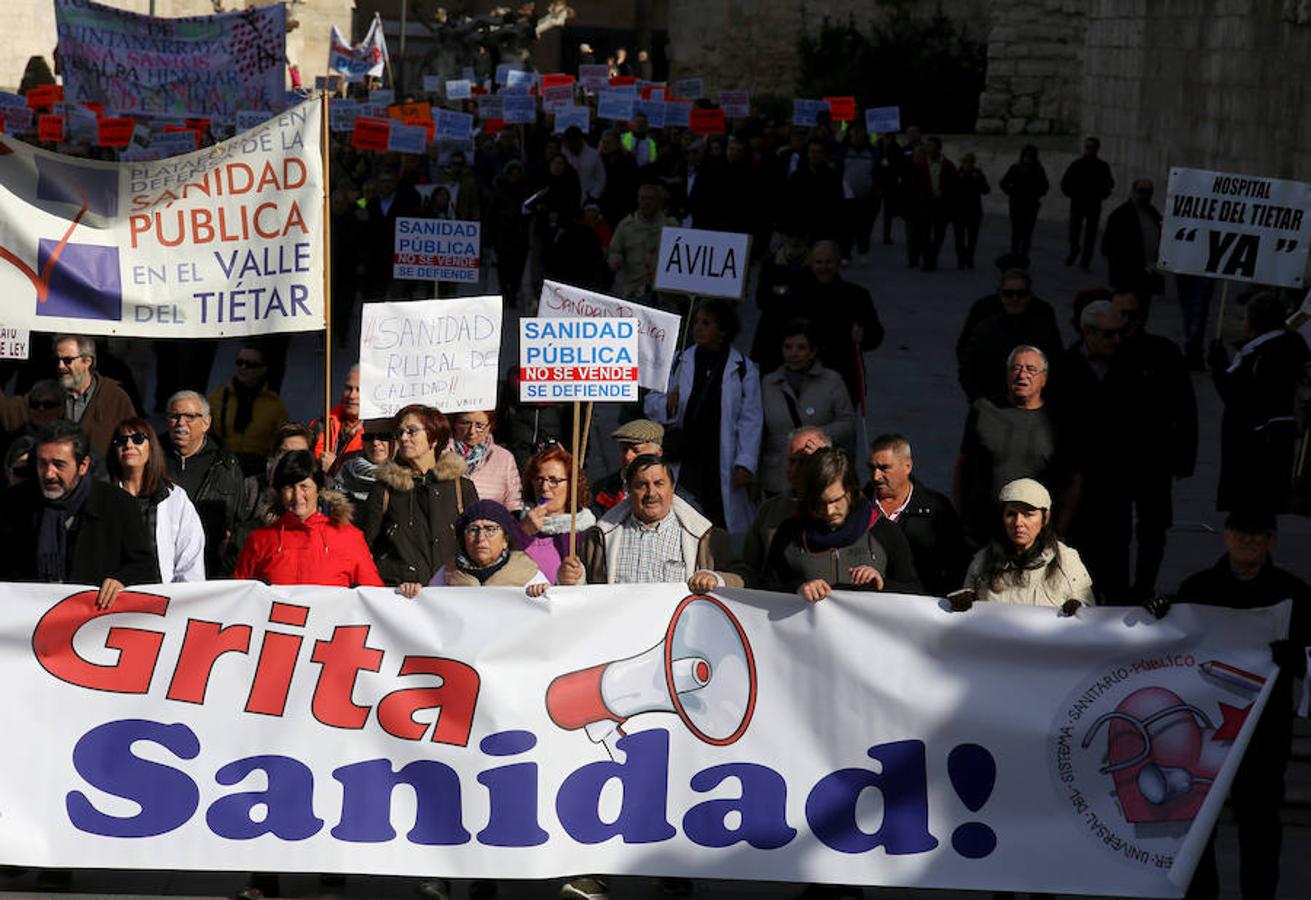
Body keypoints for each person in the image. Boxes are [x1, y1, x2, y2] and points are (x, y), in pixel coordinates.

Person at [1152, 508, 1310, 900]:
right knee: (1197, 827)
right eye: (1242, 531)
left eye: (1259, 534)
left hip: (1264, 733)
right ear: (1227, 536)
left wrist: (1290, 657)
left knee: (1260, 830)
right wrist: (1157, 613)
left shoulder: (1295, 593)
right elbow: (1171, 646)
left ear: (1272, 541)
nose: (1249, 540)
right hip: (1203, 732)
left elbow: (1309, 658)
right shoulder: (1197, 588)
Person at [0, 420, 158, 602]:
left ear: (83, 466)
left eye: (59, 465)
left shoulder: (118, 505)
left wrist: (122, 580)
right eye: (42, 463)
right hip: (28, 620)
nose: (48, 474)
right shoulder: (13, 504)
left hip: (92, 621)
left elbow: (144, 567)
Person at [644, 299, 762, 534]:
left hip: (721, 457)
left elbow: (751, 419)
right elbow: (650, 403)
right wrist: (667, 404)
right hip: (687, 455)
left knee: (719, 516)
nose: (698, 328)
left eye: (706, 323)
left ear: (723, 330)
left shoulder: (743, 368)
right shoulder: (679, 360)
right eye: (696, 322)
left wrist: (745, 462)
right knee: (685, 512)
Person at [1111, 290, 1198, 600]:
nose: (1125, 322)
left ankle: (1143, 587)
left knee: (1153, 530)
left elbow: (1185, 408)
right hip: (1114, 460)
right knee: (1114, 530)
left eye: (1132, 314)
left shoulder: (1163, 351)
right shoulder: (1105, 350)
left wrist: (1185, 458)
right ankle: (1117, 590)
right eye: (1120, 313)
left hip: (1154, 459)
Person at [557, 454, 743, 590]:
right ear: (628, 490)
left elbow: (742, 579)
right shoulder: (598, 538)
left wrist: (715, 579)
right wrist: (571, 580)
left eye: (659, 484)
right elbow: (582, 596)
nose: (651, 493)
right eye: (642, 485)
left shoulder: (707, 538)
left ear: (672, 488)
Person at [764, 447, 921, 600]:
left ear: (851, 492)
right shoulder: (789, 533)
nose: (829, 510)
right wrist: (797, 589)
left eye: (836, 500)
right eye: (819, 502)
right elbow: (766, 590)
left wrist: (882, 585)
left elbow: (915, 592)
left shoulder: (883, 530)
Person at [955, 346, 1073, 548]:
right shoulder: (983, 410)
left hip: (1034, 537)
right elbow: (963, 466)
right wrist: (957, 516)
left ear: (1044, 379)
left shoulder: (1058, 421)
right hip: (982, 531)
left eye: (1030, 369)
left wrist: (1060, 531)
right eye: (1015, 368)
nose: (1021, 375)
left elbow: (1071, 481)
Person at [361, 404, 478, 591]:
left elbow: (477, 544)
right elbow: (363, 547)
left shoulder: (461, 488)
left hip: (451, 595)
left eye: (412, 431)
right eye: (400, 433)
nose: (403, 438)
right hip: (398, 596)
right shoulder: (385, 488)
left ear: (434, 438)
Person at [1210, 292, 1309, 512]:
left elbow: (1241, 400)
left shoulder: (1262, 356)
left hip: (1255, 448)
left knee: (1250, 513)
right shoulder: (1290, 345)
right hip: (1277, 443)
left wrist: (1219, 369)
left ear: (1252, 323)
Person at [234, 450, 383, 587]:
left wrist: (403, 593)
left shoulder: (349, 538)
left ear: (318, 489)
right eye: (289, 487)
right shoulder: (260, 541)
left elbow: (374, 595)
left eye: (304, 486)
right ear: (279, 492)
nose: (297, 496)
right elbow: (240, 597)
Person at [952, 478, 1094, 612]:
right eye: (1011, 514)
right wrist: (966, 598)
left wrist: (1078, 607)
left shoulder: (1066, 561)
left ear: (1045, 518)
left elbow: (1089, 616)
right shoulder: (982, 562)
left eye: (1028, 514)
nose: (1018, 523)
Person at [758, 319, 855, 496]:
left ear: (813, 351)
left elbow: (847, 422)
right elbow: (758, 427)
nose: (793, 353)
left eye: (801, 348)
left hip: (818, 470)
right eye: (788, 347)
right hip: (777, 473)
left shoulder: (832, 381)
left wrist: (814, 437)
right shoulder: (768, 383)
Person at [866, 434, 968, 598]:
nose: (875, 476)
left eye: (884, 468)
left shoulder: (936, 508)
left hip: (923, 606)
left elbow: (958, 564)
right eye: (871, 468)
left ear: (907, 466)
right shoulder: (857, 507)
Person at [106, 417, 205, 583]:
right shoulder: (103, 497)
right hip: (114, 600)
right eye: (122, 440)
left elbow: (190, 561)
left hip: (163, 600)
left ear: (151, 446)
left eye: (138, 439)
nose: (129, 445)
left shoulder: (176, 498)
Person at [163, 390, 247, 577]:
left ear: (206, 423)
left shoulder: (226, 464)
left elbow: (239, 520)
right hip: (161, 563)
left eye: (190, 417)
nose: (181, 423)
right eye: (175, 416)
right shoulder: (153, 457)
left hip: (211, 566)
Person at [733, 426, 830, 587]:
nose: (795, 469)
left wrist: (825, 468)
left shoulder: (843, 509)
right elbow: (749, 568)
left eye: (805, 461)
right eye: (792, 461)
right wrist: (722, 580)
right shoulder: (770, 510)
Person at [957, 268, 1065, 402]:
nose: (1015, 299)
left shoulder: (1043, 319)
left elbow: (1057, 359)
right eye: (1009, 294)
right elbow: (967, 364)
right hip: (993, 400)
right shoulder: (984, 320)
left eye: (1021, 294)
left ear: (1029, 295)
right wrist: (980, 400)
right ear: (1000, 295)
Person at [803, 240, 885, 407]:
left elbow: (875, 334)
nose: (824, 267)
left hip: (844, 375)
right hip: (805, 373)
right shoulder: (799, 295)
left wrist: (864, 335)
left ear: (838, 263)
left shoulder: (857, 295)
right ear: (811, 264)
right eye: (819, 262)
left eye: (829, 262)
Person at [417, 499, 549, 594]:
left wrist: (541, 595)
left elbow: (552, 612)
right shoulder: (446, 575)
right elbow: (428, 611)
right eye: (473, 529)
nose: (480, 538)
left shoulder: (530, 576)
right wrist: (411, 593)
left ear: (505, 540)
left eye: (490, 529)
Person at [207, 344, 289, 477]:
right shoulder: (218, 397)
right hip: (223, 465)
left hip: (257, 470)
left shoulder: (274, 405)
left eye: (251, 364)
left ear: (263, 369)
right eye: (239, 363)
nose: (243, 368)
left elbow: (280, 441)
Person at [520, 444, 596, 584]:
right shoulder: (515, 521)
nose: (544, 487)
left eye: (554, 480)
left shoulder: (587, 532)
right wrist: (522, 533)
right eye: (539, 479)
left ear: (572, 485)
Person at [52, 334, 135, 456]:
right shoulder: (48, 394)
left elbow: (134, 441)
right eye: (57, 360)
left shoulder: (115, 397)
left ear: (87, 361)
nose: (60, 366)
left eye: (67, 360)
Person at [607, 182, 678, 299]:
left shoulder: (671, 227)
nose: (646, 202)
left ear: (658, 201)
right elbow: (614, 250)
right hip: (633, 288)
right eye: (643, 198)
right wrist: (615, 261)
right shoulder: (626, 226)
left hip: (662, 292)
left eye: (650, 199)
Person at [449, 410, 522, 512]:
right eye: (465, 423)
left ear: (490, 426)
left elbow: (513, 503)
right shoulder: (440, 453)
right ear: (455, 424)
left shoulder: (504, 458)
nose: (472, 431)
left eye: (479, 425)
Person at [1060, 136, 1114, 269]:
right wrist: (1071, 193)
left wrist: (1102, 194)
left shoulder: (1102, 166)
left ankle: (1085, 261)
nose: (1089, 150)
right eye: (1087, 147)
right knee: (1074, 232)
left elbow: (1109, 183)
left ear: (1097, 149)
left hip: (1093, 204)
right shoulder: (1077, 164)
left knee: (1090, 235)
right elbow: (1065, 181)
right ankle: (1074, 251)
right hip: (1078, 203)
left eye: (1092, 148)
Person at [1102, 178, 1163, 296]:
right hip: (1127, 275)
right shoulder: (1120, 215)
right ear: (1133, 192)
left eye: (1149, 192)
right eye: (1141, 191)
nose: (1145, 195)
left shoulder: (1153, 213)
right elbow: (1108, 247)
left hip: (1147, 273)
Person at [590, 419, 664, 515]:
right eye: (624, 450)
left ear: (657, 453)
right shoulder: (600, 490)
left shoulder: (675, 495)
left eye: (636, 451)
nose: (628, 457)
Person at [909, 136, 957, 271]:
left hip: (941, 204)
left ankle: (932, 257)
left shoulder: (948, 165)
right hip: (925, 204)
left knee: (939, 233)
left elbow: (954, 185)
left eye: (931, 146)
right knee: (924, 234)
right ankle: (928, 260)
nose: (928, 149)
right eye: (927, 146)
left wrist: (946, 196)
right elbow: (915, 185)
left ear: (938, 148)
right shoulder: (920, 165)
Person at [312, 365, 364, 476]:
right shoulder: (321, 425)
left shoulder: (378, 437)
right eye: (348, 388)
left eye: (359, 390)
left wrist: (335, 467)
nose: (352, 395)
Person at [999, 144, 1049, 257]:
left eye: (1030, 156)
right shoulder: (1015, 168)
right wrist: (1011, 191)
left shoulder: (1038, 170)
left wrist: (1036, 194)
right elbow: (1003, 183)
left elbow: (1045, 187)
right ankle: (1015, 254)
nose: (1027, 158)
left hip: (1031, 205)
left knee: (1027, 232)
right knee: (1016, 231)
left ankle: (1023, 256)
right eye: (1026, 155)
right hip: (1016, 204)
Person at [335, 421, 394, 511]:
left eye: (383, 436)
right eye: (369, 437)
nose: (375, 442)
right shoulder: (346, 471)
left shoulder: (410, 476)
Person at [949, 151, 989, 269]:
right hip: (959, 211)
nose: (968, 165)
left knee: (972, 238)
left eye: (970, 162)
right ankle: (961, 259)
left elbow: (986, 190)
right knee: (959, 238)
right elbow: (952, 191)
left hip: (973, 210)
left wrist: (978, 180)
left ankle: (969, 258)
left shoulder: (978, 175)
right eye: (966, 162)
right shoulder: (957, 174)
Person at [561, 125, 606, 205]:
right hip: (566, 198)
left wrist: (593, 195)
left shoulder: (593, 155)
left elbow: (601, 178)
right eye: (568, 143)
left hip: (588, 198)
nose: (570, 147)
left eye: (572, 143)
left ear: (579, 141)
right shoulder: (563, 154)